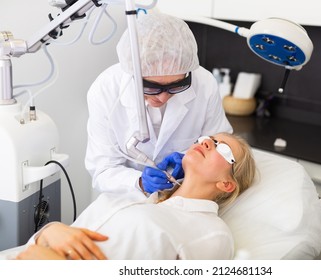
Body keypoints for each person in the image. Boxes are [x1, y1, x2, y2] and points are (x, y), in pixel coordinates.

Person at [10, 133, 256, 260]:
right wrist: (50, 231)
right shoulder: (133, 199)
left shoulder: (211, 232)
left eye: (222, 148)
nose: (206, 143)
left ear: (227, 184)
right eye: (206, 138)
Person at [85, 10, 232, 196]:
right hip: (122, 199)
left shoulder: (204, 83)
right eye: (151, 87)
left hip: (179, 198)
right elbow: (102, 170)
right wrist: (139, 182)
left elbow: (221, 144)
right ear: (133, 74)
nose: (162, 98)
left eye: (175, 86)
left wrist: (188, 159)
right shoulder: (105, 89)